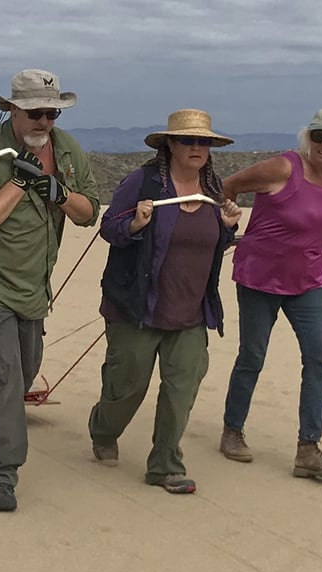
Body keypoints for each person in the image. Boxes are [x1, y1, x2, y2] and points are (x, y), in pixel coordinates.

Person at [0, 69, 100, 511]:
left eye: (52, 112)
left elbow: (88, 211)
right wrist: (18, 183)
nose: (44, 121)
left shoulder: (67, 150)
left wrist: (57, 191)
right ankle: (0, 472)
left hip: (32, 285)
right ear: (12, 109)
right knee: (3, 375)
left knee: (26, 371)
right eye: (35, 112)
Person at [88, 109, 242, 494]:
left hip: (190, 312)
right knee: (126, 389)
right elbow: (110, 227)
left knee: (182, 387)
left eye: (203, 142)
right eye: (188, 140)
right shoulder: (142, 184)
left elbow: (213, 244)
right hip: (138, 309)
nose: (196, 148)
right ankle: (103, 429)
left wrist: (228, 228)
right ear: (170, 145)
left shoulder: (212, 189)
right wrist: (135, 224)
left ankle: (165, 465)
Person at [218, 109, 322, 479]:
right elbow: (227, 185)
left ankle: (308, 448)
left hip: (309, 283)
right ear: (308, 137)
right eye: (319, 136)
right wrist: (226, 218)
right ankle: (232, 430)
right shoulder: (282, 168)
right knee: (253, 355)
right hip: (259, 278)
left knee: (319, 357)